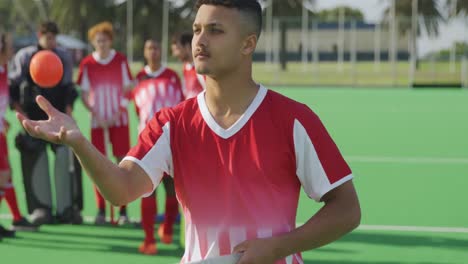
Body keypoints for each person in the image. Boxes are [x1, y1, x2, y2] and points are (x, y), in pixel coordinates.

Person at [17, 1, 361, 263]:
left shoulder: (293, 119)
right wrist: (78, 141)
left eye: (215, 30)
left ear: (248, 44)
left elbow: (347, 209)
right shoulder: (171, 122)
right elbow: (122, 189)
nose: (199, 39)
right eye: (197, 29)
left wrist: (278, 247)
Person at [9, 21, 82, 226]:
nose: (51, 41)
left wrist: (68, 111)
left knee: (63, 158)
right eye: (48, 37)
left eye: (54, 37)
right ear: (40, 35)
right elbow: (14, 87)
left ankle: (67, 208)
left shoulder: (63, 57)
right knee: (35, 158)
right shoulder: (25, 56)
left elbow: (69, 88)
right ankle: (41, 208)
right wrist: (21, 114)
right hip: (33, 116)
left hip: (57, 116)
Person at [76, 21, 133, 225]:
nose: (101, 44)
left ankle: (124, 212)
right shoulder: (87, 64)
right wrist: (94, 113)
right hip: (97, 123)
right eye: (97, 41)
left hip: (119, 121)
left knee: (122, 163)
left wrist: (118, 112)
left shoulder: (120, 60)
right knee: (98, 164)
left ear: (110, 41)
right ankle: (101, 209)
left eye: (104, 40)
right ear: (93, 42)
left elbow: (129, 89)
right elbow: (83, 94)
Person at [133, 39, 183, 254]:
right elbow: (138, 108)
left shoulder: (172, 75)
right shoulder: (139, 77)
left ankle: (168, 230)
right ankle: (149, 240)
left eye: (156, 48)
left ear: (160, 51)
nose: (153, 51)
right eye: (149, 48)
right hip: (147, 143)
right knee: (147, 191)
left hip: (171, 141)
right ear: (144, 52)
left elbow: (179, 104)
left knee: (172, 190)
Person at [1, 31, 35, 238]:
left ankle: (16, 217)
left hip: (0, 132)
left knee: (7, 175)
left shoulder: (4, 69)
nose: (12, 49)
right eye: (9, 46)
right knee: (3, 175)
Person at [171, 32, 205, 99]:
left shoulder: (201, 68)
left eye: (177, 49)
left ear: (187, 46)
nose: (175, 54)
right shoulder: (185, 67)